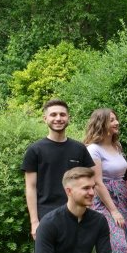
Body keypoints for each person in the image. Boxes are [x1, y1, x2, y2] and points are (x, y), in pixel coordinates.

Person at [22, 99, 95, 240]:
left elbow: (91, 183)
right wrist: (34, 222)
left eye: (62, 114)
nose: (58, 118)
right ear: (45, 119)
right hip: (46, 216)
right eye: (53, 114)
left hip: (78, 214)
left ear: (68, 118)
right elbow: (30, 187)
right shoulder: (35, 150)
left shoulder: (79, 148)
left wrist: (89, 210)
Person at [84, 108, 127, 253]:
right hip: (104, 201)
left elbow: (124, 175)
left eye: (116, 119)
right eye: (112, 120)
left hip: (122, 197)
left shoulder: (116, 145)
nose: (116, 123)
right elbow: (97, 183)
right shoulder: (93, 149)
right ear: (101, 123)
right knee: (117, 244)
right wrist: (114, 211)